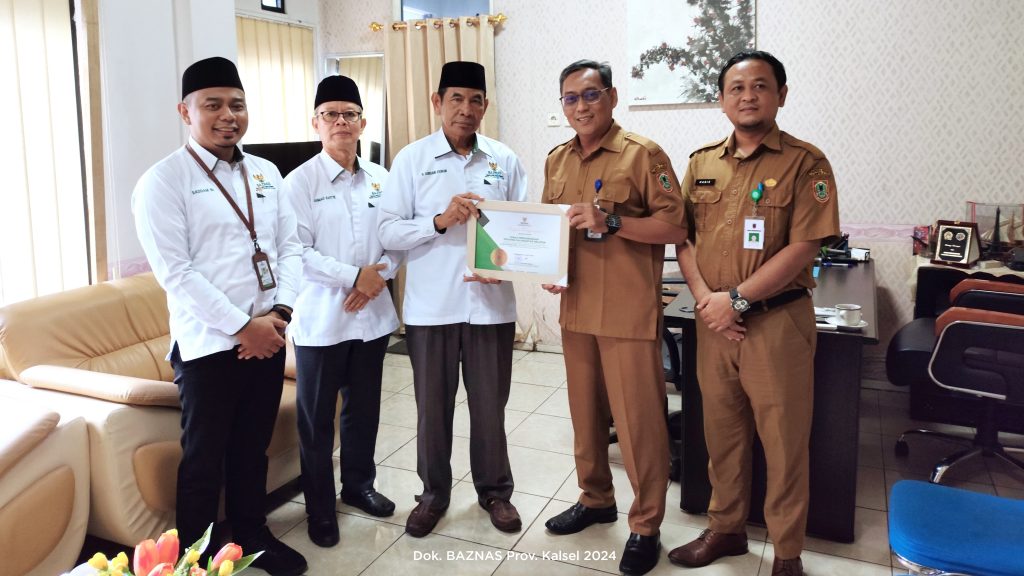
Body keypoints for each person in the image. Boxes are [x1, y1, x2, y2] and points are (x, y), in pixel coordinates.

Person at [667, 50, 840, 576]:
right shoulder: (701, 163)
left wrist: (736, 299)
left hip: (776, 322)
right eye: (736, 88)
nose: (748, 96)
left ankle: (787, 554)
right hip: (714, 322)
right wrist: (707, 299)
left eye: (760, 86)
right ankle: (726, 530)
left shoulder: (806, 163)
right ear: (722, 99)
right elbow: (683, 238)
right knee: (722, 437)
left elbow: (805, 246)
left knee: (784, 443)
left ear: (780, 95)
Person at [132, 56, 307, 576]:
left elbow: (289, 249)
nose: (228, 115)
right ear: (185, 111)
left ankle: (252, 535)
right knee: (204, 460)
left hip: (268, 336)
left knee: (253, 449)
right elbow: (176, 272)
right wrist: (242, 326)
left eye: (237, 104)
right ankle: (195, 557)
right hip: (208, 346)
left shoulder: (266, 173)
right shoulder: (163, 181)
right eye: (213, 105)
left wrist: (278, 315)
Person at [540, 59, 687, 576]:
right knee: (585, 418)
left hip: (627, 311)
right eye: (570, 98)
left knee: (638, 425)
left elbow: (675, 227)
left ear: (612, 97)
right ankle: (595, 498)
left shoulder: (643, 154)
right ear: (563, 106)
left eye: (591, 95)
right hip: (577, 307)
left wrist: (613, 220)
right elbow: (550, 228)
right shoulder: (557, 160)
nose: (581, 106)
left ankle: (645, 525)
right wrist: (549, 266)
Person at [378, 61, 527, 538]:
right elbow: (388, 231)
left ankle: (496, 493)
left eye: (475, 100)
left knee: (490, 408)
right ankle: (433, 495)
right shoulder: (411, 159)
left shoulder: (504, 159)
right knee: (432, 409)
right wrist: (439, 222)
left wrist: (509, 265)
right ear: (437, 102)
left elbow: (524, 229)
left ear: (486, 106)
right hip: (431, 307)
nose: (466, 108)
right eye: (456, 98)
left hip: (491, 308)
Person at [284, 75, 400, 548]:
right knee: (316, 421)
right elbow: (296, 251)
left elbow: (397, 238)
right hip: (321, 321)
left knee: (364, 409)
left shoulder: (382, 178)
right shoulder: (298, 183)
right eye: (330, 114)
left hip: (372, 316)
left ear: (362, 123)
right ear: (315, 123)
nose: (341, 122)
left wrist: (378, 277)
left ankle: (358, 485)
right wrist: (355, 277)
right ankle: (319, 506)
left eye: (349, 114)